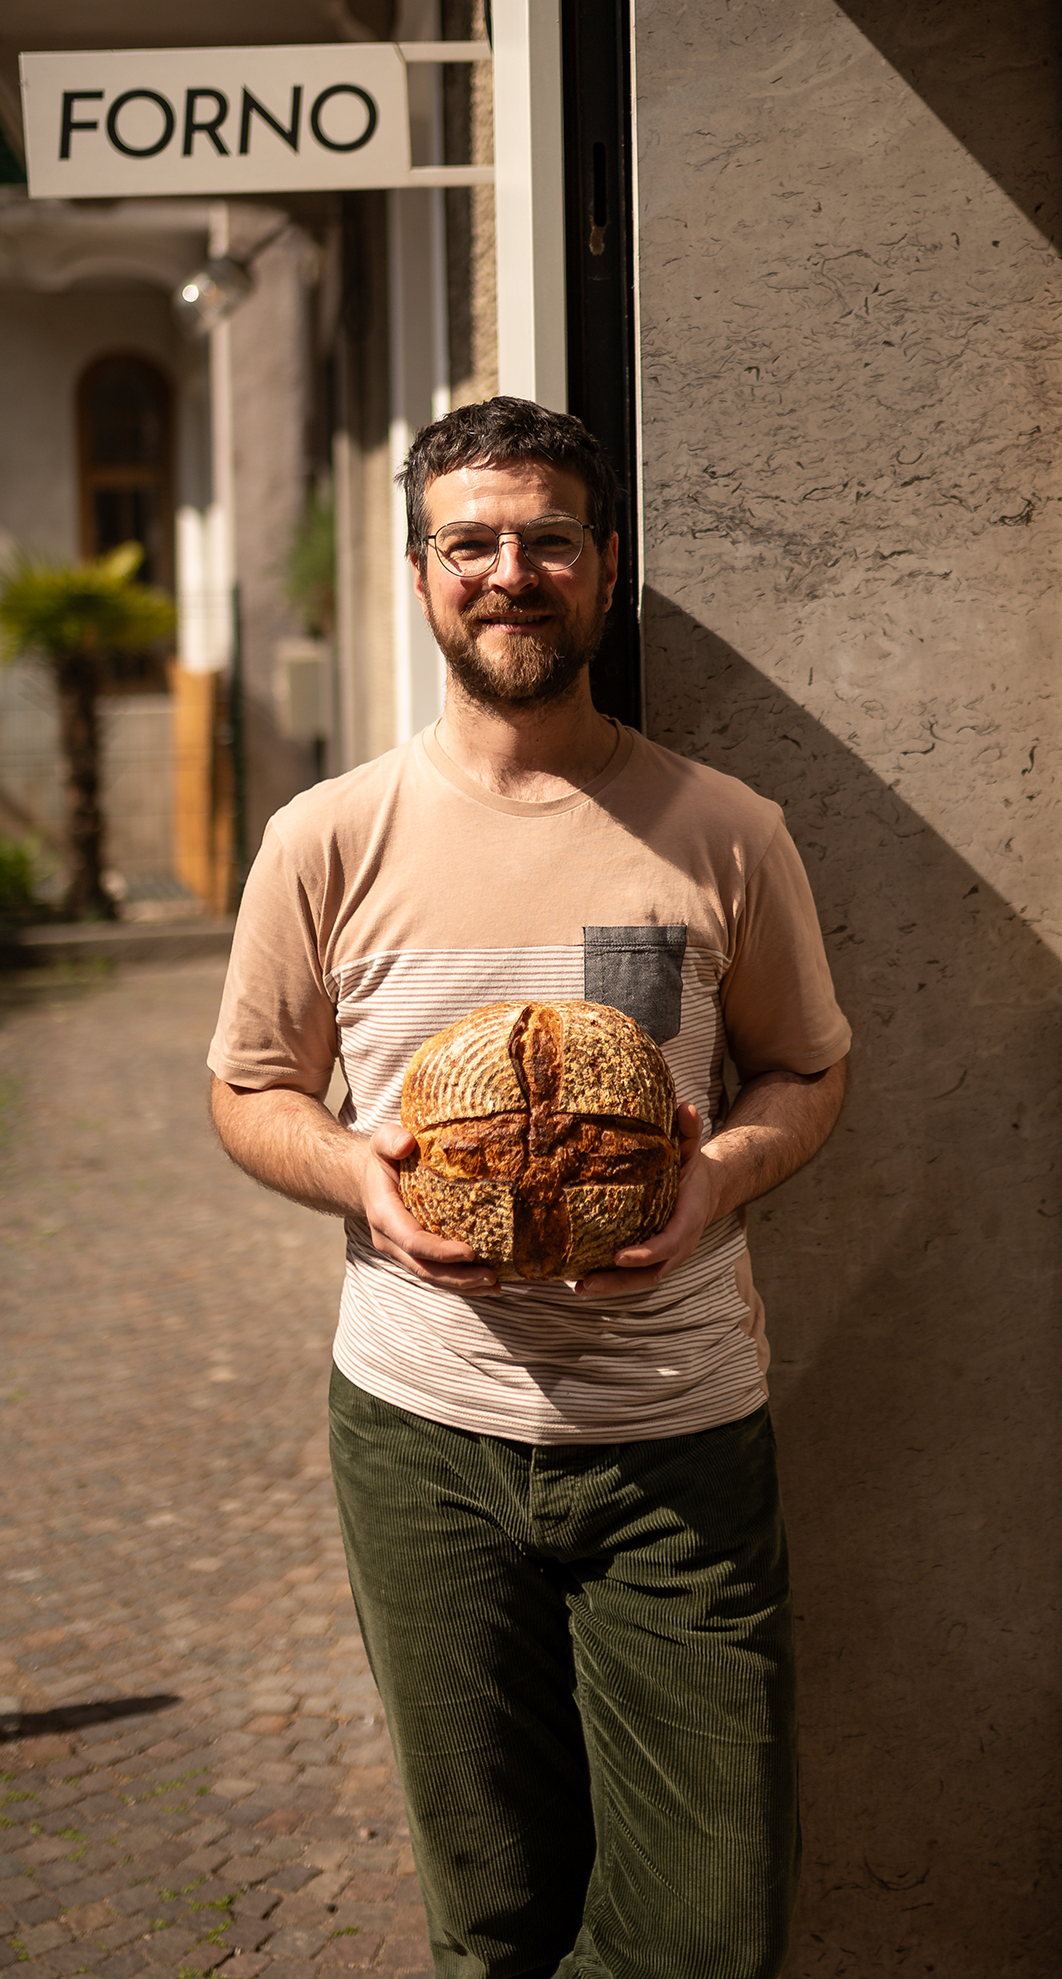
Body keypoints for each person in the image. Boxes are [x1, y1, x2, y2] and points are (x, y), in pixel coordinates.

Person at [208, 396, 849, 1979]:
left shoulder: (723, 833)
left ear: (605, 566)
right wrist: (367, 1182)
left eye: (549, 539)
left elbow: (808, 1071)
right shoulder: (327, 838)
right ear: (420, 575)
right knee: (493, 1914)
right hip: (423, 1443)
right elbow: (248, 1091)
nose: (512, 571)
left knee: (709, 1926)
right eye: (472, 542)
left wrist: (716, 1180)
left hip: (676, 1442)